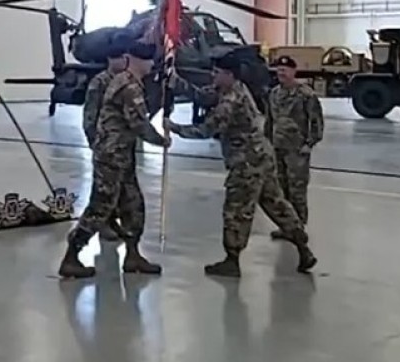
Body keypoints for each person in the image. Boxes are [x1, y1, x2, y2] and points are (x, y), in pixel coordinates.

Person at [166, 52, 317, 278]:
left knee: (236, 211)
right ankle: (304, 249)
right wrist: (174, 80)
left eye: (216, 73)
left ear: (229, 75)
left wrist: (175, 127)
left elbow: (207, 129)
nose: (212, 76)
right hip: (262, 157)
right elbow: (203, 96)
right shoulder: (230, 89)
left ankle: (232, 259)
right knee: (276, 204)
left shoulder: (231, 100)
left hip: (247, 162)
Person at [59, 40, 168, 279]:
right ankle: (71, 256)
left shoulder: (129, 82)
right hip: (111, 156)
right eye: (149, 60)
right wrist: (162, 140)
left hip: (122, 155)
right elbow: (138, 123)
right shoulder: (128, 86)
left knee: (133, 204)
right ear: (137, 60)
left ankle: (133, 255)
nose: (152, 65)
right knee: (100, 207)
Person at [265, 55, 324, 235]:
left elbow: (316, 121)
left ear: (293, 71)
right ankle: (286, 226)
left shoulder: (306, 95)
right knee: (281, 190)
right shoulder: (274, 93)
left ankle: (298, 227)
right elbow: (269, 121)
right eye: (279, 70)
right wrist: (267, 142)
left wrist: (310, 143)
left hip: (297, 150)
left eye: (285, 70)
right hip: (278, 148)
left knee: (297, 190)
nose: (281, 73)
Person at [82, 34, 128, 242]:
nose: (121, 62)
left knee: (120, 187)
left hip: (121, 145)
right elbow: (90, 116)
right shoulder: (99, 82)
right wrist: (94, 142)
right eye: (118, 58)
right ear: (110, 59)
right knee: (103, 188)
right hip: (105, 144)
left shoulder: (126, 82)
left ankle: (113, 220)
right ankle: (102, 224)